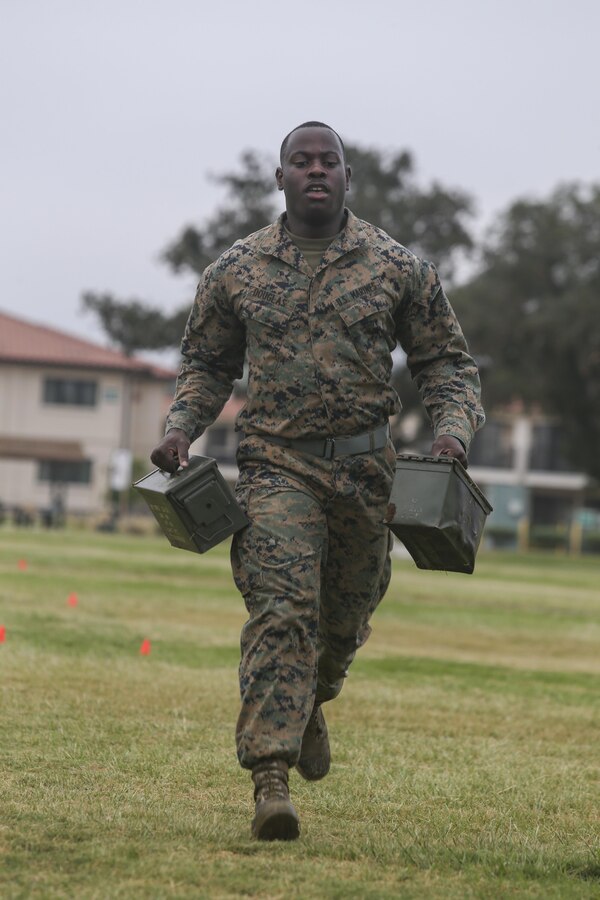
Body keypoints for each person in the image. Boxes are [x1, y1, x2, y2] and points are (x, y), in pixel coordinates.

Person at [151, 121, 484, 841]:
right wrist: (181, 427)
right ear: (279, 179)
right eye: (299, 162)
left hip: (368, 471)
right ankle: (270, 779)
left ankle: (312, 700)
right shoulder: (236, 270)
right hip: (277, 465)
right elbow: (207, 365)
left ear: (345, 174)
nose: (314, 172)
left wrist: (453, 428)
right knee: (282, 609)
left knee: (343, 622)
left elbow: (446, 363)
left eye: (326, 161)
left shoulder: (395, 266)